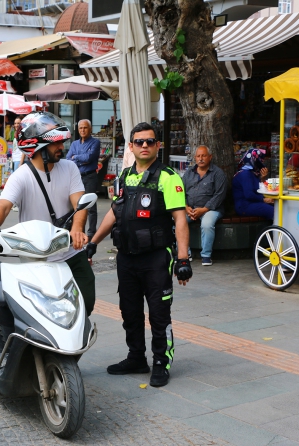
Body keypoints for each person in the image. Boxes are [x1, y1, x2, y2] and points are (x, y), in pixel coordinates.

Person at [86, 122, 192, 388]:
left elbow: (180, 219)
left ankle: (161, 362)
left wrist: (182, 259)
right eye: (139, 142)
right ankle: (136, 357)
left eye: (150, 141)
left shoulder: (168, 177)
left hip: (156, 258)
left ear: (158, 145)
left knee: (158, 313)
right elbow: (114, 213)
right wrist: (93, 242)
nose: (145, 145)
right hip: (127, 258)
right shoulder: (124, 177)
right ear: (131, 146)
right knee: (129, 312)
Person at [0, 111, 97, 316]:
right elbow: (3, 206)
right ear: (37, 146)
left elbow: (80, 203)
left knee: (86, 303)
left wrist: (77, 229)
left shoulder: (70, 168)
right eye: (56, 143)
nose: (61, 147)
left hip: (71, 252)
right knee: (40, 313)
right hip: (37, 257)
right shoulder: (21, 176)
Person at [182, 145, 228, 266]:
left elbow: (219, 195)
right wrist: (186, 207)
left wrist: (203, 209)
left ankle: (206, 256)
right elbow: (180, 191)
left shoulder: (218, 174)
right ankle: (185, 253)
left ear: (210, 157)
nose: (201, 158)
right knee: (180, 221)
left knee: (207, 224)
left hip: (211, 209)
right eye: (198, 156)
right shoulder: (188, 173)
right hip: (190, 208)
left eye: (204, 156)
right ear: (195, 158)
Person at [66, 119, 101, 240]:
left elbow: (89, 157)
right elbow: (67, 158)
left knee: (91, 206)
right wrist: (80, 159)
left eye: (85, 128)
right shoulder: (74, 143)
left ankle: (91, 232)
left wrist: (75, 157)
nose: (82, 130)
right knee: (76, 205)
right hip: (76, 177)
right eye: (80, 128)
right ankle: (79, 230)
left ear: (90, 129)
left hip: (90, 176)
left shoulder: (95, 142)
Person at [233, 148, 274, 220]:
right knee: (273, 211)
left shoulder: (252, 173)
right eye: (260, 160)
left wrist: (262, 179)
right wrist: (263, 200)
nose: (261, 163)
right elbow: (249, 195)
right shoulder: (245, 174)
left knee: (276, 207)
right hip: (244, 206)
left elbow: (258, 190)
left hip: (251, 203)